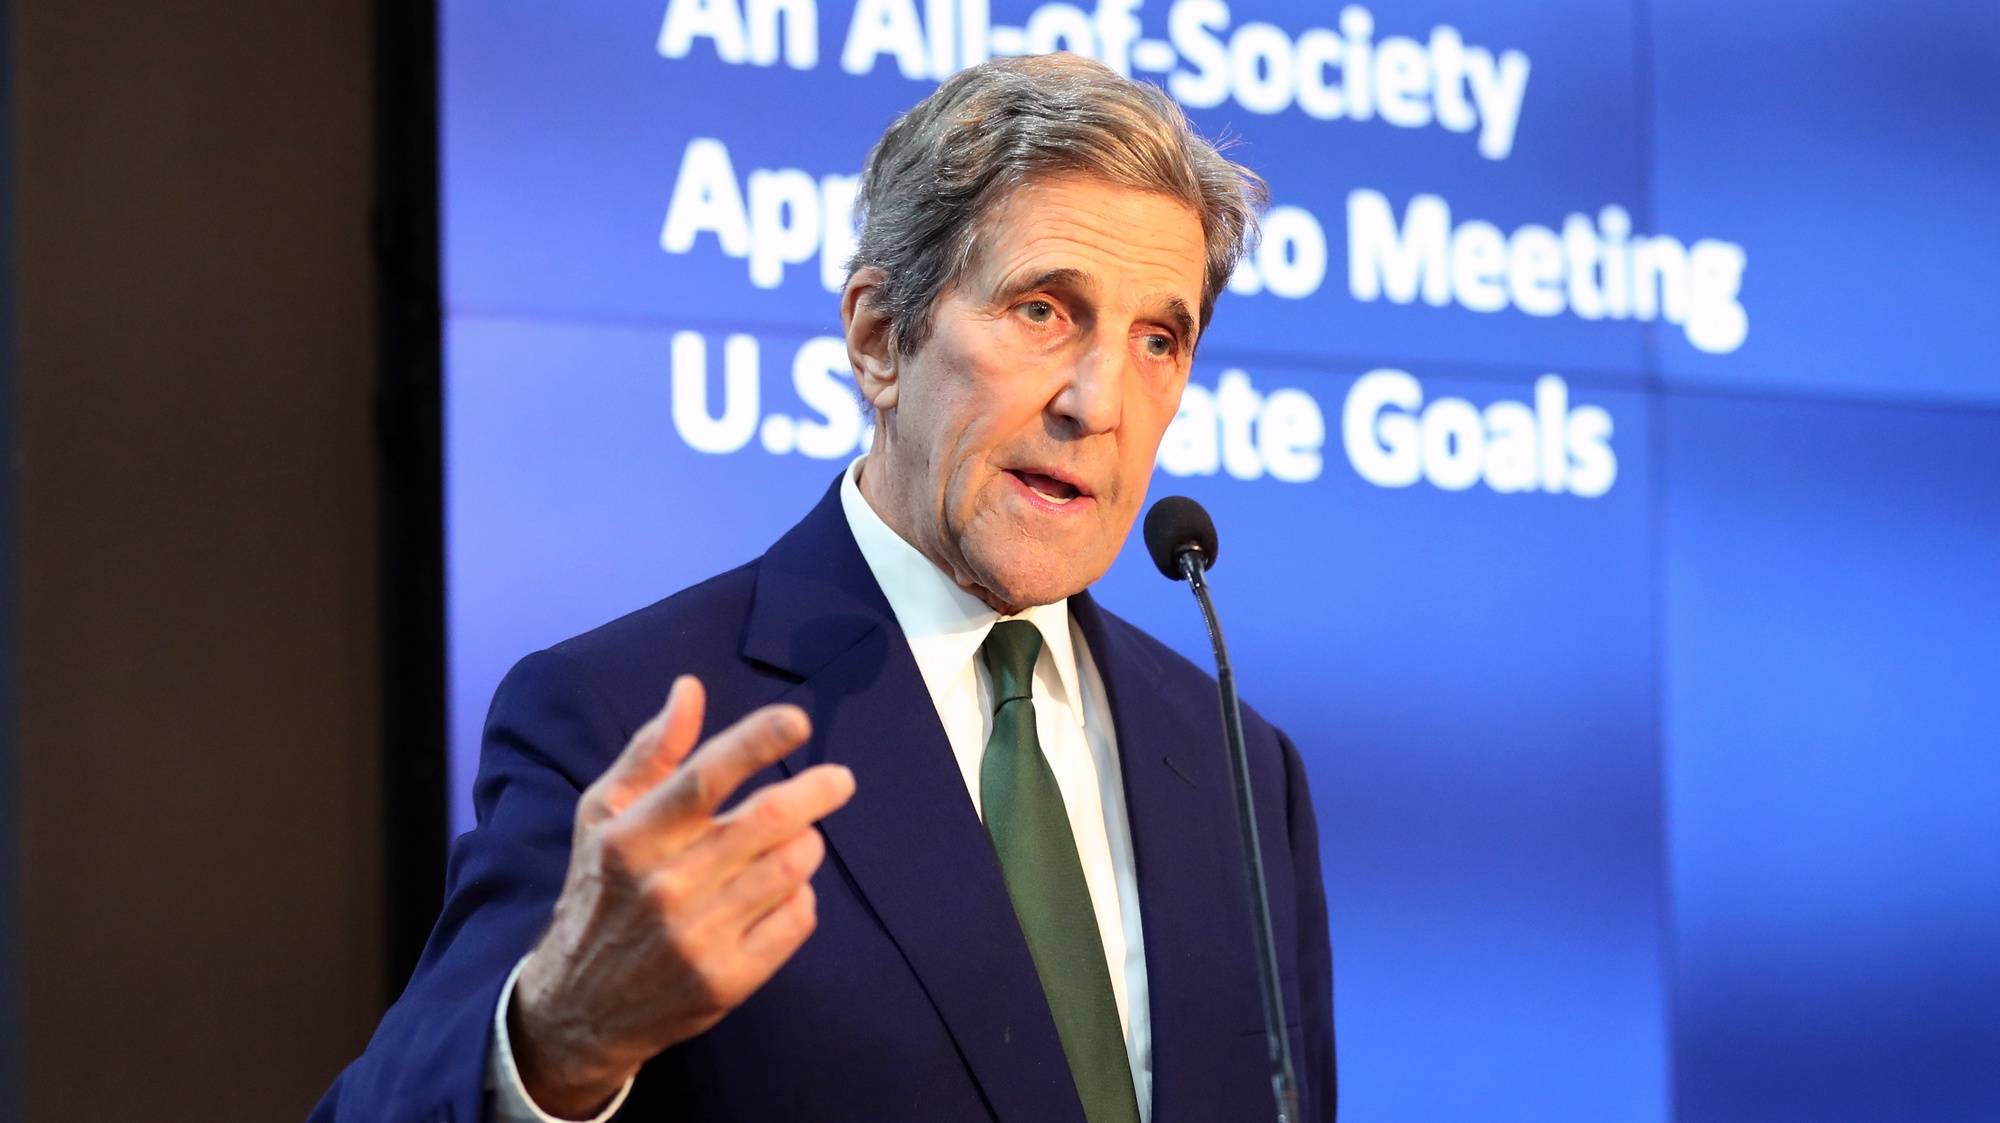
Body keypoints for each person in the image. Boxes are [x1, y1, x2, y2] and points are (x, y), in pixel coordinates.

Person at [312, 52, 1335, 1123]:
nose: (1098, 400)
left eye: (1157, 340)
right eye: (1042, 311)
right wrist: (557, 1041)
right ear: (877, 338)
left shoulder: (1235, 764)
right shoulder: (631, 720)